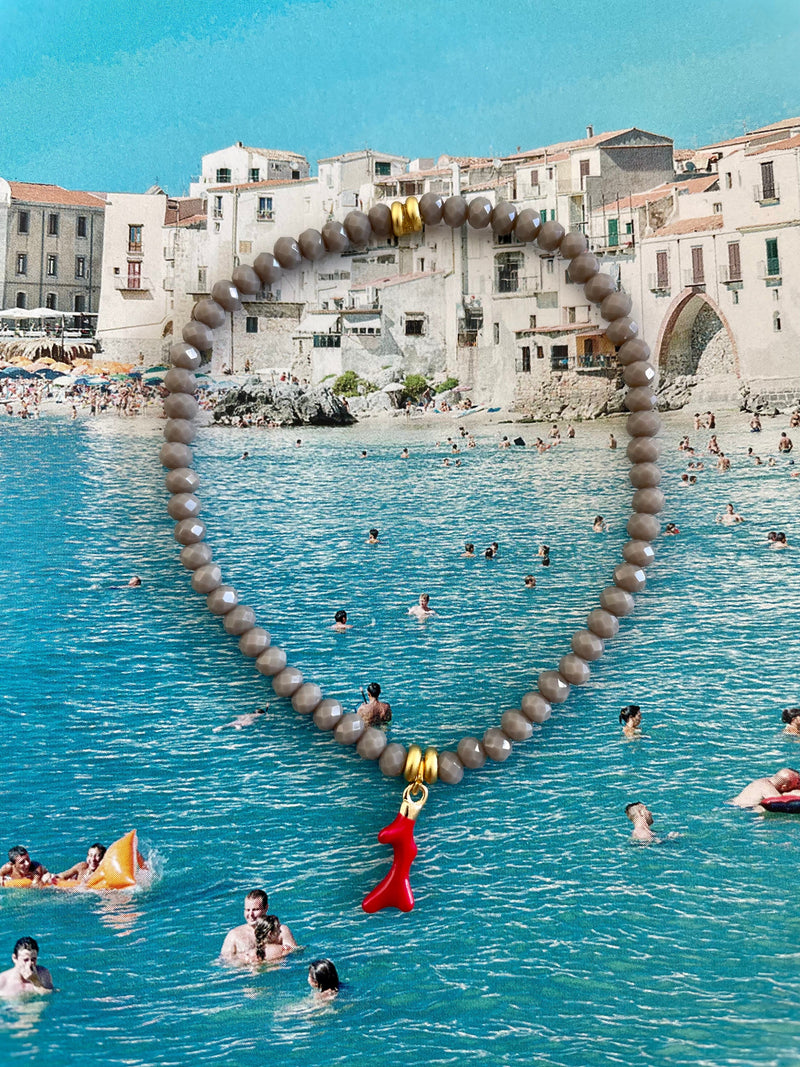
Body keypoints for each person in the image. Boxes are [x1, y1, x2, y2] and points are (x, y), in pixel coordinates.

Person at [220, 889, 297, 959]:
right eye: (247, 910)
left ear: (266, 908)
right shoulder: (234, 935)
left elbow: (295, 955)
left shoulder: (281, 931)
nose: (250, 914)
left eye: (255, 910)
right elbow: (225, 962)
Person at [731, 767, 800, 808]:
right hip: (744, 809)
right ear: (784, 787)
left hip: (733, 805)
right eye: (798, 783)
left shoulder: (763, 781)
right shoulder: (767, 787)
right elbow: (780, 801)